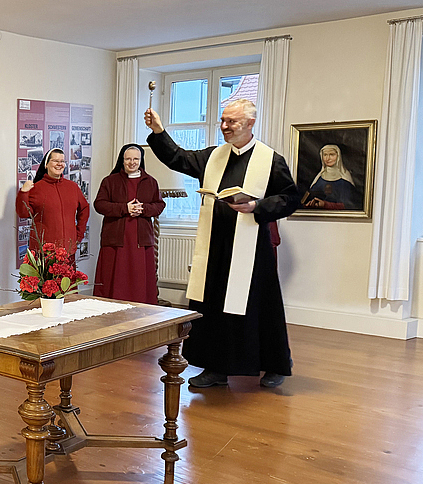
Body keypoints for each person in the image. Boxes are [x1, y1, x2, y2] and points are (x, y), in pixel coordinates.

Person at [144, 99, 300, 390]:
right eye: (223, 120)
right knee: (213, 308)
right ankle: (216, 368)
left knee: (259, 307)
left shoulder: (270, 159)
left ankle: (273, 365)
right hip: (215, 246)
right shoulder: (213, 156)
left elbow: (290, 198)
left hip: (252, 249)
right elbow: (178, 158)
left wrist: (256, 205)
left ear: (250, 124)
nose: (225, 127)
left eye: (232, 122)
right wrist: (159, 131)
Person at [92, 144, 165, 304]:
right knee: (115, 276)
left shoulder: (151, 182)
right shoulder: (110, 181)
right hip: (116, 238)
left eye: (136, 159)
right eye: (128, 159)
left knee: (139, 278)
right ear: (122, 160)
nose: (132, 162)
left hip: (141, 238)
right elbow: (99, 204)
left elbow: (159, 205)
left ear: (141, 160)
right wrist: (124, 208)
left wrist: (143, 209)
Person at [15, 148, 90, 256]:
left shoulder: (72, 187)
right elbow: (24, 213)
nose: (59, 164)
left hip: (68, 252)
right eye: (55, 161)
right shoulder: (35, 188)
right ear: (46, 164)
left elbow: (84, 208)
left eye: (62, 161)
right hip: (43, 252)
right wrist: (23, 192)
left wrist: (79, 234)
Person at [303, 144, 361, 210]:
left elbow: (349, 205)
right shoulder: (318, 178)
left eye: (332, 155)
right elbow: (308, 199)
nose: (328, 158)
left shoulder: (345, 179)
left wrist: (325, 204)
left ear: (338, 156)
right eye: (325, 155)